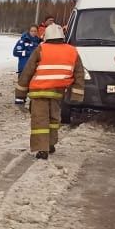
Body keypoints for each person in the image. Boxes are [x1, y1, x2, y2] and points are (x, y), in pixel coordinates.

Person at [14, 23, 85, 160]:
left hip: (39, 92)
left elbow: (27, 72)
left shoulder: (41, 49)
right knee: (53, 120)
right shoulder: (72, 51)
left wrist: (20, 96)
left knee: (40, 121)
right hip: (57, 93)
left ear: (46, 36)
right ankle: (50, 144)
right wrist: (77, 94)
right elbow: (79, 74)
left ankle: (42, 149)